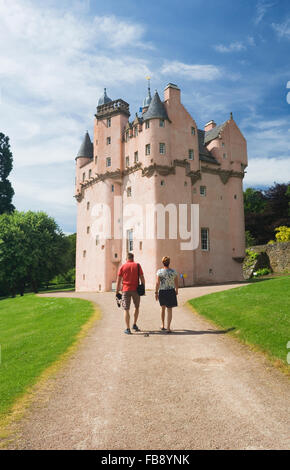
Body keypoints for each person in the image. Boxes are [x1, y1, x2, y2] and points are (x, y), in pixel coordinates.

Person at [116, 252, 145, 334]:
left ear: (127, 258)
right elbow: (142, 278)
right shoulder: (137, 266)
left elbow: (118, 280)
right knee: (137, 307)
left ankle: (128, 329)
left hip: (125, 289)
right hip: (136, 290)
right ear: (133, 258)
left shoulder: (123, 266)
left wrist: (117, 291)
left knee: (126, 309)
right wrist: (143, 288)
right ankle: (134, 324)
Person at [155, 256, 178, 333]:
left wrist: (156, 292)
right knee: (169, 309)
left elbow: (157, 283)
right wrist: (177, 289)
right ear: (169, 262)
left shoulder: (159, 272)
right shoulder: (173, 271)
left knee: (163, 308)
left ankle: (162, 325)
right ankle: (168, 327)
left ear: (163, 263)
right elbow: (176, 281)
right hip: (171, 291)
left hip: (162, 291)